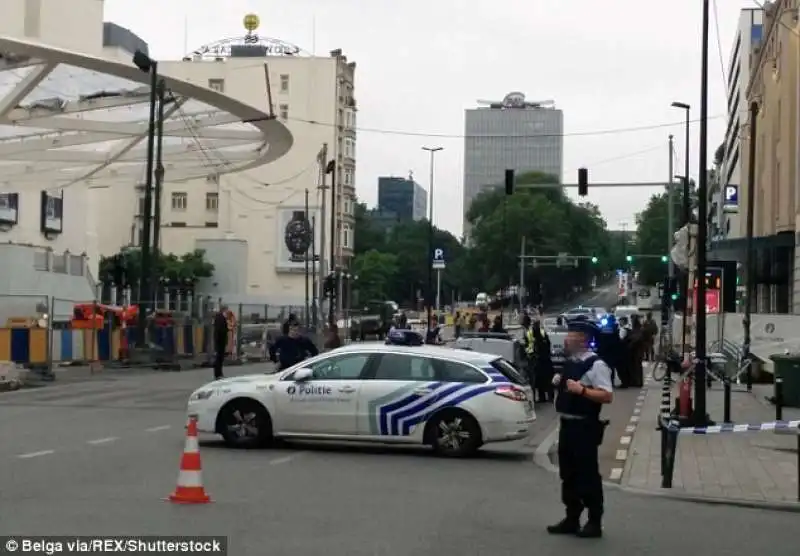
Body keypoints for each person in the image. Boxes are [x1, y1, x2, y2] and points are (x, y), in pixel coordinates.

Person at [547, 320, 613, 539]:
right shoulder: (571, 362)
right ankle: (572, 517)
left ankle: (594, 521)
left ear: (583, 339)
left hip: (585, 426)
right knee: (569, 473)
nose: (567, 339)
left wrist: (582, 390)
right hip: (567, 424)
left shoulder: (596, 365)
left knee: (587, 474)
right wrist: (559, 382)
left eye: (572, 335)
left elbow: (606, 395)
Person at [532, 321, 554, 403]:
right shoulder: (542, 334)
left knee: (543, 380)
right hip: (545, 360)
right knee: (545, 380)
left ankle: (546, 397)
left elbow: (540, 347)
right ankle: (547, 397)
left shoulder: (539, 335)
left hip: (542, 360)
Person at [212, 305, 230, 380]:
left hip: (219, 340)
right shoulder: (220, 317)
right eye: (227, 310)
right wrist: (227, 330)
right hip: (220, 341)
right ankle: (218, 374)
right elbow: (220, 330)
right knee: (219, 358)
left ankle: (219, 373)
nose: (227, 311)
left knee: (220, 358)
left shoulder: (220, 317)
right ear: (224, 310)